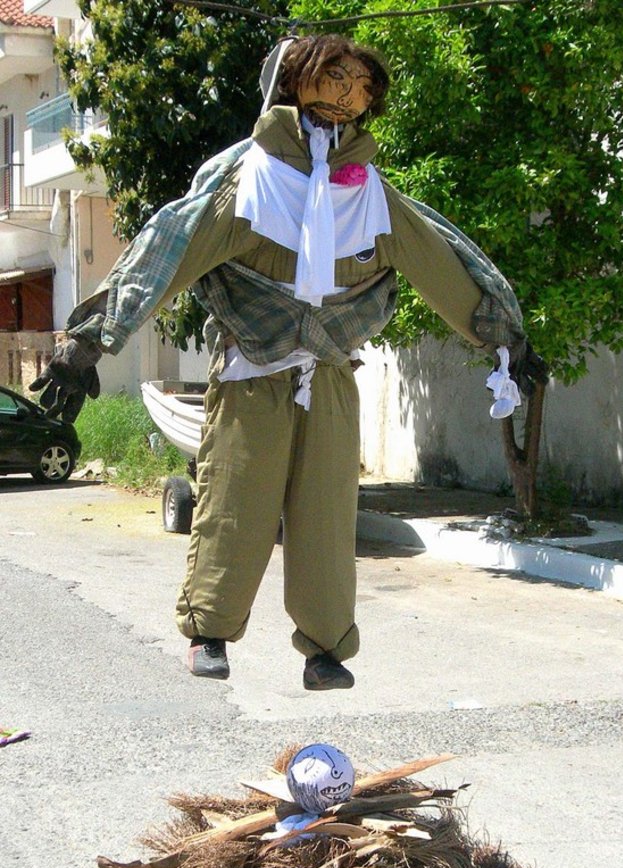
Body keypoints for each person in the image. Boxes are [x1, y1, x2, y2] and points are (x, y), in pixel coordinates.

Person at [30, 34, 547, 690]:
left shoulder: (372, 197)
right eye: (332, 76)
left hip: (329, 374)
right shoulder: (248, 183)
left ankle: (326, 648)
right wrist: (92, 339)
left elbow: (440, 263)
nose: (346, 92)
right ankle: (210, 632)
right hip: (253, 369)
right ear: (291, 84)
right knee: (235, 504)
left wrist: (504, 337)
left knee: (329, 516)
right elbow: (166, 253)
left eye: (360, 84)